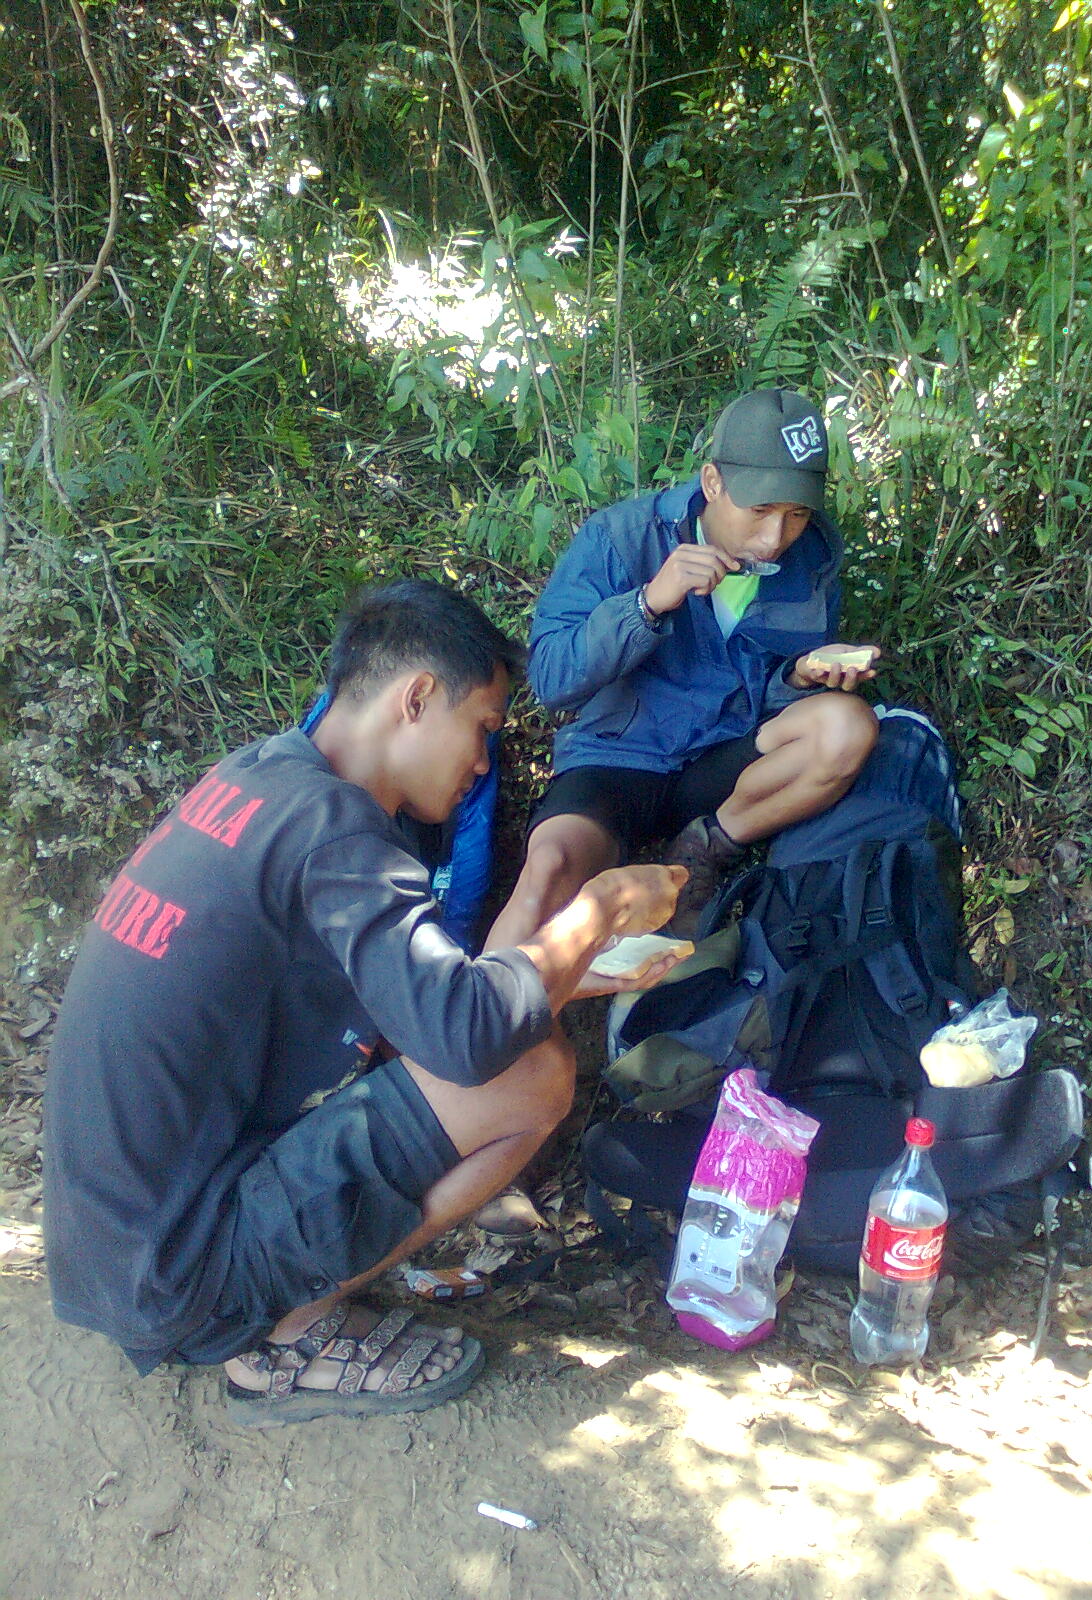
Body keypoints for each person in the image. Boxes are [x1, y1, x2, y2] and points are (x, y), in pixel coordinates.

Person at [42, 580, 684, 1426]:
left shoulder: (261, 779)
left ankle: (277, 1301)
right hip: (181, 1270)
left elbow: (419, 1001)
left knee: (506, 1038)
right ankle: (288, 1337)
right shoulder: (336, 830)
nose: (485, 765)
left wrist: (567, 970)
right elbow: (467, 1034)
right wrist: (597, 911)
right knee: (534, 1074)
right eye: (484, 729)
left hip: (116, 1248)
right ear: (416, 698)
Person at [487, 388, 882, 951]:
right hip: (617, 756)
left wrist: (799, 680)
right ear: (713, 482)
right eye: (761, 510)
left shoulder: (811, 560)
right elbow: (551, 678)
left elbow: (772, 695)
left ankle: (707, 847)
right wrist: (646, 603)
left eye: (797, 514)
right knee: (548, 869)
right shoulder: (622, 538)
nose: (776, 539)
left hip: (724, 762)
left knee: (848, 726)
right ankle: (476, 1014)